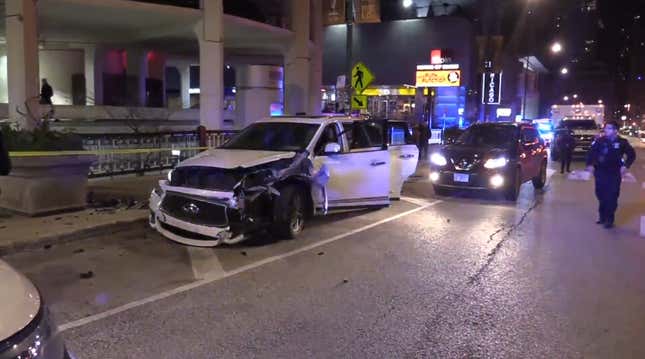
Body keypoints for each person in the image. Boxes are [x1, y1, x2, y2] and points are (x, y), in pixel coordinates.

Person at [585, 121, 636, 229]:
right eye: (606, 128)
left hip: (614, 172)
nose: (606, 130)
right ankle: (602, 215)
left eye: (609, 128)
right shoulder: (600, 141)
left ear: (615, 131)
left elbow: (631, 155)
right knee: (600, 194)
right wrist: (590, 164)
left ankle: (609, 219)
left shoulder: (622, 142)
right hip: (600, 171)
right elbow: (591, 153)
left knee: (612, 195)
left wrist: (625, 166)